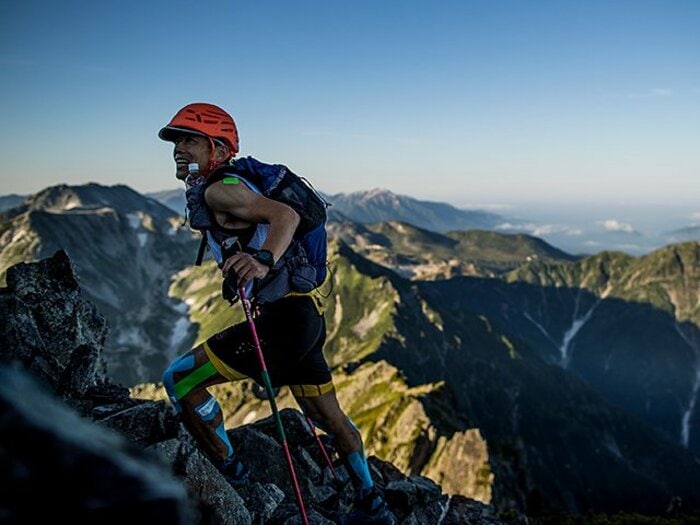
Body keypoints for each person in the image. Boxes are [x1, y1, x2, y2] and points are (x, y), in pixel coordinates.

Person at [159, 102, 394, 525]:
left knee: (179, 378)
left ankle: (233, 475)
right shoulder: (240, 178)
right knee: (328, 416)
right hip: (305, 317)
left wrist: (263, 259)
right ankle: (372, 503)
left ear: (217, 146)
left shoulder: (220, 188)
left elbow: (283, 215)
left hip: (281, 325)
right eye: (177, 140)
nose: (179, 148)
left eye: (190, 140)